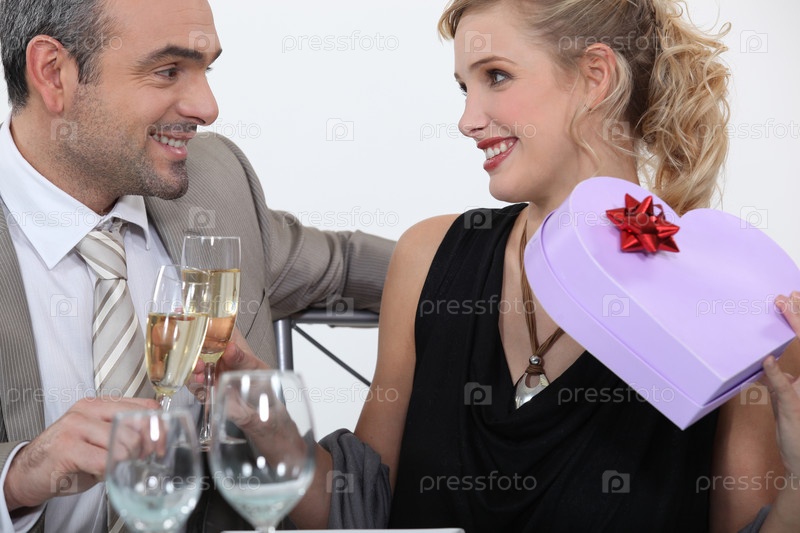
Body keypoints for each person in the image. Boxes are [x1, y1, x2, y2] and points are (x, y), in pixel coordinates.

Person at [215, 0, 800, 531]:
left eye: (496, 76)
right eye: (463, 87)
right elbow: (358, 513)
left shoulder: (733, 307)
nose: (468, 119)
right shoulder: (428, 257)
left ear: (595, 77)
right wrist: (261, 414)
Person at [0, 0, 394, 531]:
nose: (208, 108)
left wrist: (504, 257)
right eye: (168, 71)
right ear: (53, 72)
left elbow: (355, 267)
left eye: (206, 69)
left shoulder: (213, 185)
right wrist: (17, 478)